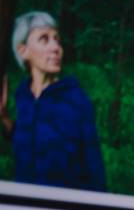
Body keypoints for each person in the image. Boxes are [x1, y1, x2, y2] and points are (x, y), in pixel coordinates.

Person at [1, 11, 106, 191]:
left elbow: (94, 165)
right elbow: (30, 137)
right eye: (44, 39)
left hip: (63, 209)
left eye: (57, 39)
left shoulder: (76, 99)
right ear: (23, 51)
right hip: (25, 206)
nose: (56, 47)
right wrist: (3, 117)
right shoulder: (23, 94)